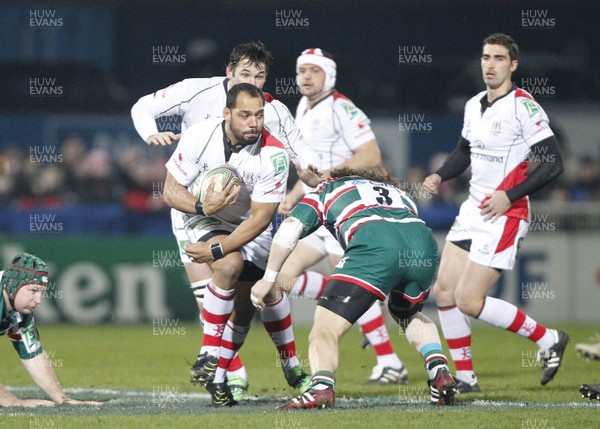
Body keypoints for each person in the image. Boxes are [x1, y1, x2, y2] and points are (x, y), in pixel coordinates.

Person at [132, 41, 318, 400]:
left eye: (259, 76)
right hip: (198, 209)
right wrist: (149, 134)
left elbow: (300, 153)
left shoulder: (274, 117)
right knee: (218, 285)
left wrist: (310, 172)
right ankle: (223, 370)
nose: (251, 81)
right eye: (245, 73)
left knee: (255, 300)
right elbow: (144, 109)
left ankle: (283, 363)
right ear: (229, 73)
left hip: (251, 215)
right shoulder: (197, 104)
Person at [422, 33, 568, 393]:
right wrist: (441, 175)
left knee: (468, 300)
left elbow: (554, 163)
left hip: (505, 214)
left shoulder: (523, 106)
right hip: (473, 209)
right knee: (443, 292)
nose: (490, 64)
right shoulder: (474, 105)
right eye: (486, 57)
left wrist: (510, 196)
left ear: (513, 65)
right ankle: (467, 379)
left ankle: (549, 338)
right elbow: (463, 151)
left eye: (499, 58)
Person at [251, 167, 456, 409]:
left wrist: (269, 277)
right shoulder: (398, 192)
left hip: (374, 242)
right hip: (422, 245)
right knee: (406, 312)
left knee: (325, 328)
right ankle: (438, 368)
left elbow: (290, 229)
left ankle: (321, 389)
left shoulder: (327, 190)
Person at [275, 48, 408, 385]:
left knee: (345, 285)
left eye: (313, 71)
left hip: (342, 209)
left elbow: (371, 155)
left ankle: (390, 360)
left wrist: (332, 174)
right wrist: (294, 195)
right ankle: (375, 328)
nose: (305, 76)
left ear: (329, 76)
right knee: (282, 274)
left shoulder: (342, 108)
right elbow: (309, 163)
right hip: (318, 207)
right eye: (301, 70)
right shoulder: (303, 107)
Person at [0, 252, 102, 408]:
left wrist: (62, 399)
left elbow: (33, 354)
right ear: (13, 285)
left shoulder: (19, 310)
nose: (38, 300)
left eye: (41, 292)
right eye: (33, 291)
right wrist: (10, 401)